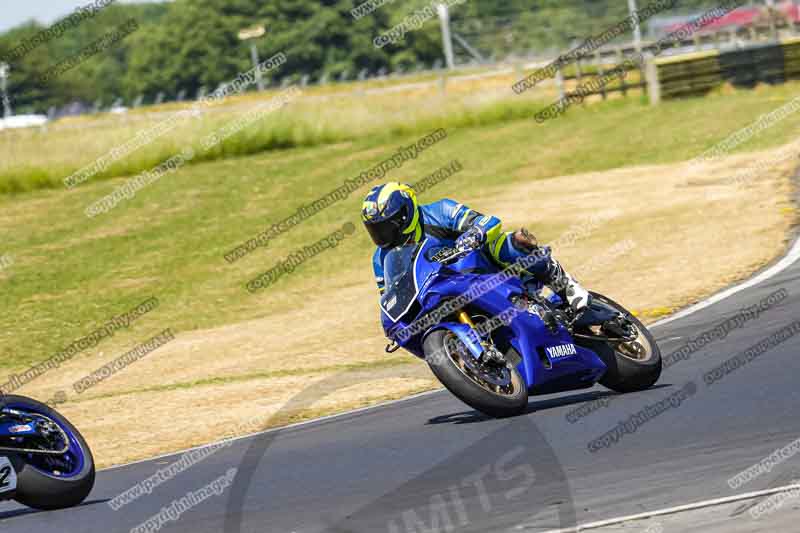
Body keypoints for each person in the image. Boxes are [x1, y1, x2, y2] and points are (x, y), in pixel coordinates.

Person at [361, 182, 589, 312]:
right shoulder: (379, 259)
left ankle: (563, 283)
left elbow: (489, 221)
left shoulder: (439, 211)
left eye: (387, 226)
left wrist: (474, 235)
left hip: (482, 269)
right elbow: (392, 295)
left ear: (406, 213)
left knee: (507, 242)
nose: (383, 235)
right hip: (443, 294)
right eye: (376, 229)